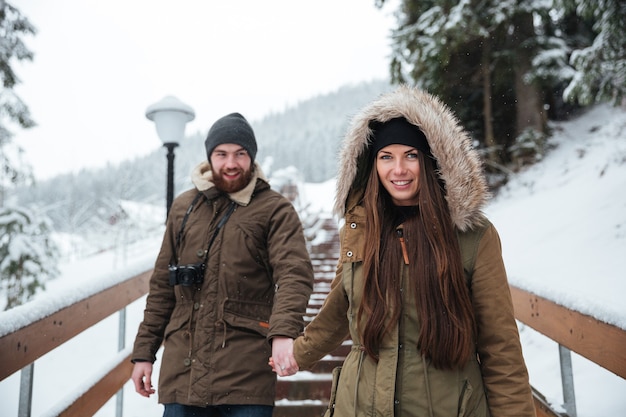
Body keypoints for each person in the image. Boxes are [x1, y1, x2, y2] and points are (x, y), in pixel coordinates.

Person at [281, 85, 536, 416]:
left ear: (431, 161)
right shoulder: (358, 231)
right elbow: (340, 307)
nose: (397, 170)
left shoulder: (473, 237)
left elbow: (500, 347)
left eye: (410, 156)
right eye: (386, 157)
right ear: (372, 165)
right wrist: (298, 353)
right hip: (358, 405)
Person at [131, 112, 314, 417]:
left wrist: (284, 333)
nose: (231, 163)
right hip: (182, 374)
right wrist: (143, 353)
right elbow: (163, 287)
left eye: (240, 154)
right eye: (222, 154)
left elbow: (295, 274)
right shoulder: (184, 208)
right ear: (209, 157)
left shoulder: (274, 210)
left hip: (245, 377)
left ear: (251, 158)